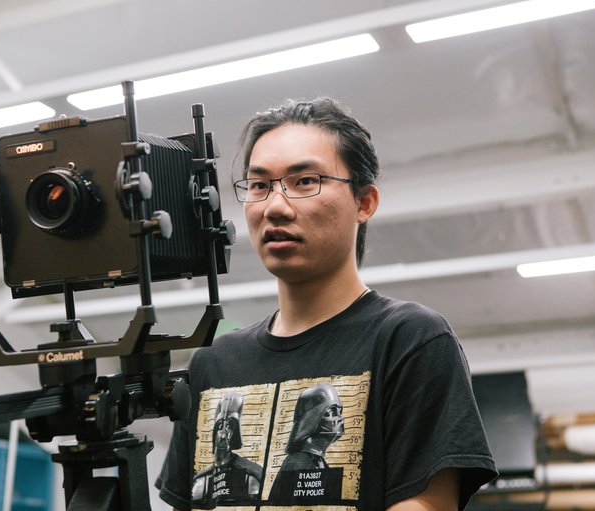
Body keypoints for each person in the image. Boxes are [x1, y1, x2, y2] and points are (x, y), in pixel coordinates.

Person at [156, 97, 497, 510]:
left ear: (364, 202)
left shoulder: (408, 339)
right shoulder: (214, 361)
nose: (275, 207)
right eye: (260, 185)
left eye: (305, 182)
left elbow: (425, 503)